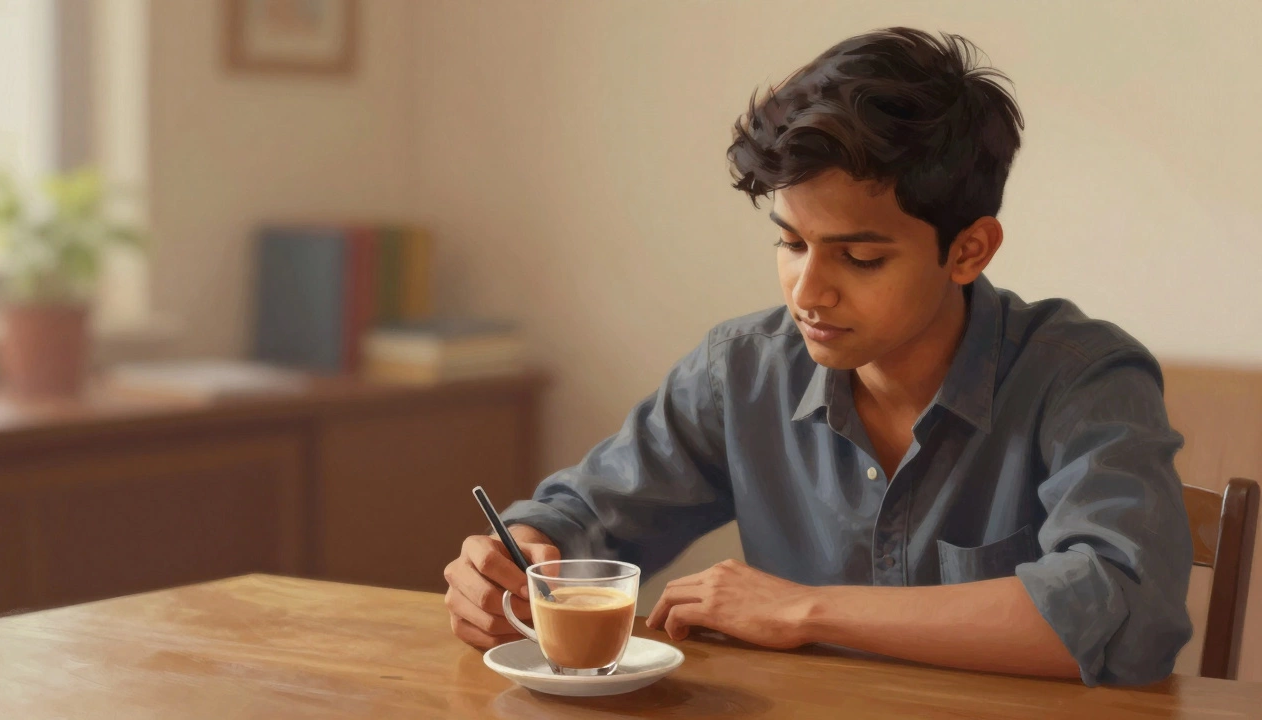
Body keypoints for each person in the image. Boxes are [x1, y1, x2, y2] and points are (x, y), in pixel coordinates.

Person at [442, 26, 1192, 687]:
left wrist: (802, 610)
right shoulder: (743, 370)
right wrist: (515, 557)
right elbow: (579, 520)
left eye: (860, 257)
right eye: (791, 242)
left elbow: (1121, 610)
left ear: (969, 250)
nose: (808, 293)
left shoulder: (1084, 377)